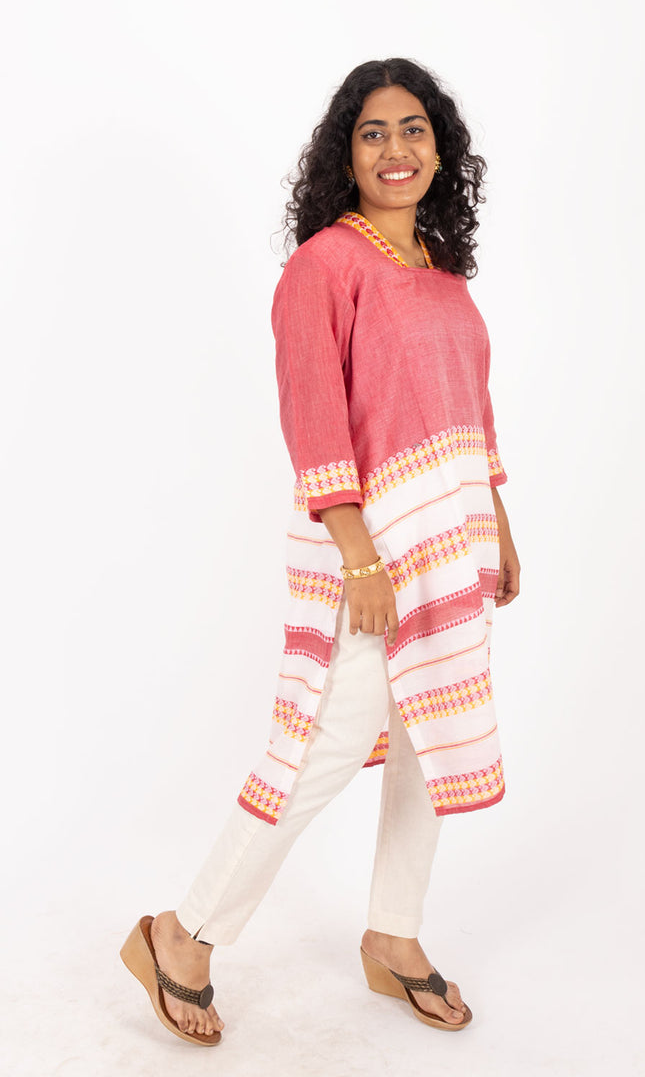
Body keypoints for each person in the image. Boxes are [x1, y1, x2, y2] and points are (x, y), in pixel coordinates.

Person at [120, 56, 521, 1046]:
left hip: (453, 540)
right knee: (324, 742)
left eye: (414, 129)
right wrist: (360, 559)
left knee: (429, 736)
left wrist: (500, 526)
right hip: (372, 548)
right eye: (373, 132)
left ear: (442, 149)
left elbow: (471, 410)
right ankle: (182, 934)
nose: (396, 149)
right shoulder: (324, 267)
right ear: (347, 154)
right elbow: (314, 421)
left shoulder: (441, 269)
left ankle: (393, 933)